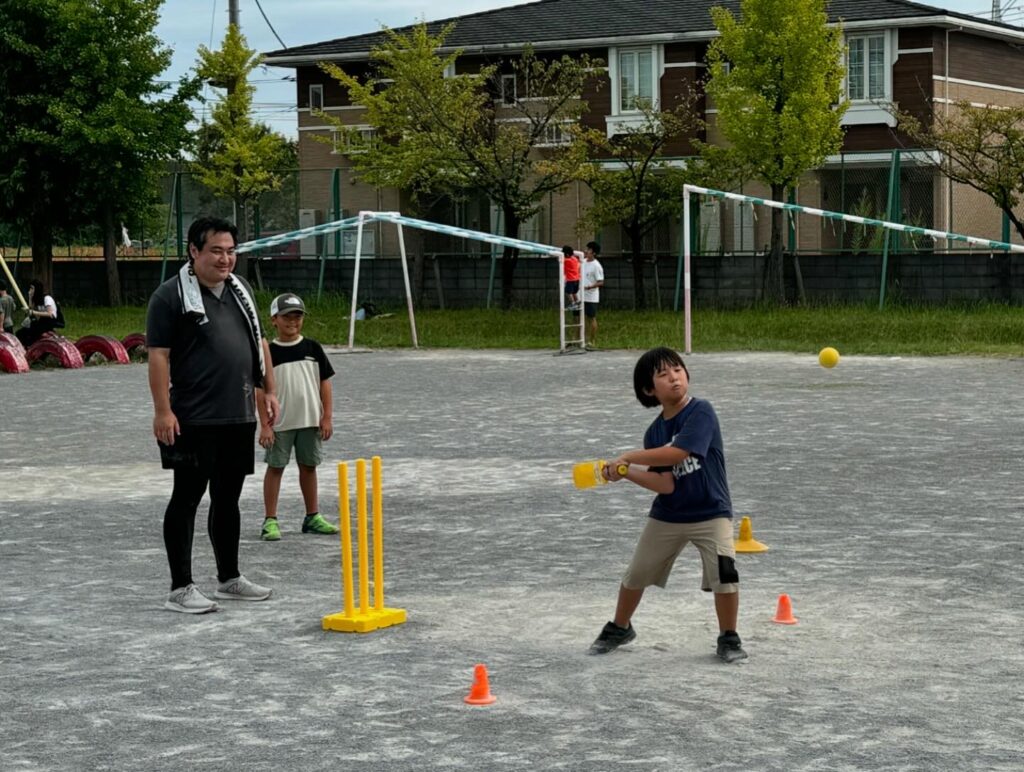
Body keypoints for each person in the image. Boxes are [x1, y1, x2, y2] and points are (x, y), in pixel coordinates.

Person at [146, 216, 280, 614]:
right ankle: (180, 587)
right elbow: (158, 356)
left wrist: (267, 390)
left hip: (236, 415)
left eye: (231, 251)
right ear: (193, 251)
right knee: (186, 498)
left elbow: (258, 342)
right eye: (216, 251)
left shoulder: (241, 291)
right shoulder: (170, 297)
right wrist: (162, 411)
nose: (225, 260)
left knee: (229, 498)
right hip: (192, 417)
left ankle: (229, 578)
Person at [588, 347, 747, 663]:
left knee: (725, 573)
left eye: (677, 369)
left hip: (711, 511)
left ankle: (729, 637)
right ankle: (620, 626)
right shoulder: (655, 432)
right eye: (663, 374)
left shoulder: (701, 411)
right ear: (650, 390)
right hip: (670, 514)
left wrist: (629, 457)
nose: (674, 377)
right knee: (637, 573)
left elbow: (679, 453)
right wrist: (626, 473)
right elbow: (665, 484)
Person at [257, 292, 339, 541]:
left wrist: (326, 417)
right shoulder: (268, 351)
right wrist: (265, 426)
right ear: (274, 320)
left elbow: (325, 383)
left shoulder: (312, 348)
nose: (292, 322)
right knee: (276, 467)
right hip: (280, 423)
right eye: (286, 317)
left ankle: (312, 516)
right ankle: (270, 519)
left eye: (297, 317)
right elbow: (259, 391)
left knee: (309, 466)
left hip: (310, 420)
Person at [576, 241, 604, 348]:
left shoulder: (597, 266)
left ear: (594, 253)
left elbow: (601, 282)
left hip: (591, 296)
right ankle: (577, 340)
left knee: (591, 318)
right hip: (580, 295)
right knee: (577, 317)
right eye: (586, 249)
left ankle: (591, 341)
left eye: (589, 250)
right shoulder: (582, 262)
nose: (586, 251)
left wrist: (589, 287)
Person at [15, 279, 59, 347]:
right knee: (20, 333)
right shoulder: (37, 299)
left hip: (49, 321)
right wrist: (30, 297)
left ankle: (31, 346)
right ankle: (25, 347)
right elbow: (31, 310)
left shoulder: (47, 298)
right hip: (41, 321)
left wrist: (34, 312)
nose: (30, 290)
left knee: (33, 333)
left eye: (32, 288)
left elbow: (50, 314)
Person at [562, 245, 580, 310]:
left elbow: (560, 259)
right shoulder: (575, 259)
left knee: (568, 292)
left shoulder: (566, 260)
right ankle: (577, 301)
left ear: (566, 254)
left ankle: (573, 303)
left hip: (570, 280)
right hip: (577, 279)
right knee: (574, 292)